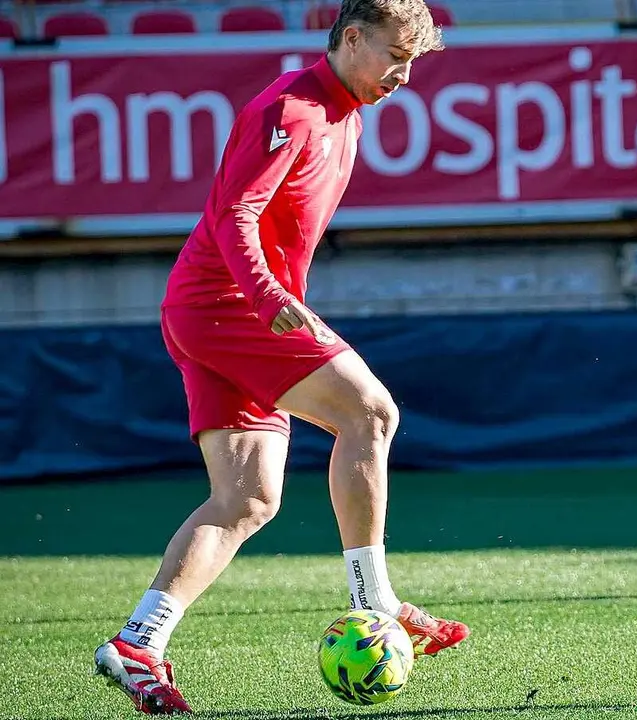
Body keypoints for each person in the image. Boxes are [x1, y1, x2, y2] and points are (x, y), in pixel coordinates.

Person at [93, 2, 468, 714]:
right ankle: (374, 599)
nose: (405, 76)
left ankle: (139, 640)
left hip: (208, 310)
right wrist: (266, 297)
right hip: (226, 306)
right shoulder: (294, 109)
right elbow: (234, 214)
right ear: (351, 38)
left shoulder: (344, 114)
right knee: (371, 413)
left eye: (413, 62)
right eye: (396, 56)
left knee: (246, 500)